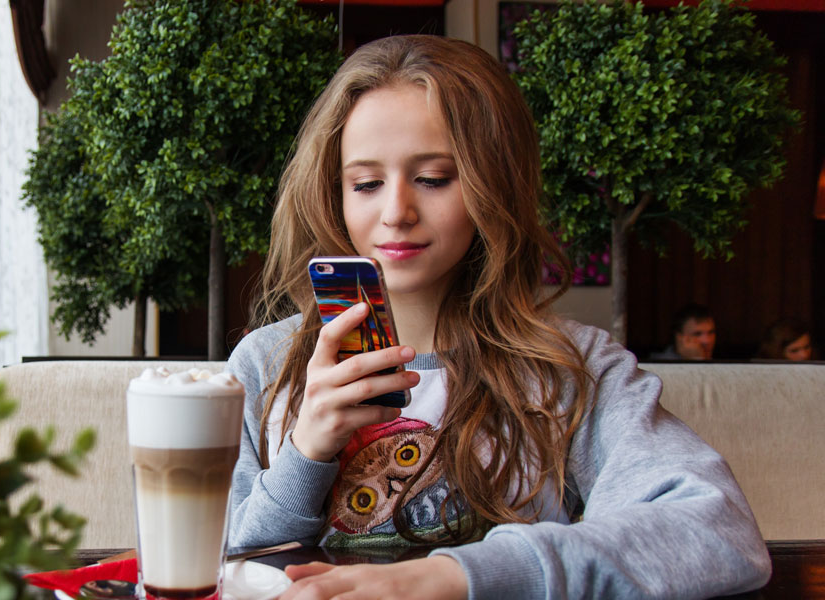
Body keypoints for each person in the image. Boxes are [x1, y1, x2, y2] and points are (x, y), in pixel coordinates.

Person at [225, 36, 769, 599]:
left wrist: (458, 575)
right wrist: (305, 455)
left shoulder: (570, 368)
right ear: (332, 193)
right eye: (365, 184)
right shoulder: (266, 365)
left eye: (434, 178)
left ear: (495, 183)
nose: (396, 213)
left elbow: (719, 529)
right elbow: (203, 564)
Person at [650, 303, 716, 360]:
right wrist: (696, 360)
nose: (707, 341)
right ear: (679, 337)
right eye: (697, 334)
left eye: (711, 332)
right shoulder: (660, 364)